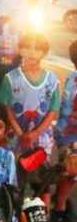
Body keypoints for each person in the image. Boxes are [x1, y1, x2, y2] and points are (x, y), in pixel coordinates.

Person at [54, 40, 77, 221]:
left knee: (69, 173)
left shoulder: (72, 77)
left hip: (65, 134)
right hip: (71, 137)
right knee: (70, 173)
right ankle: (60, 208)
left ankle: (61, 203)